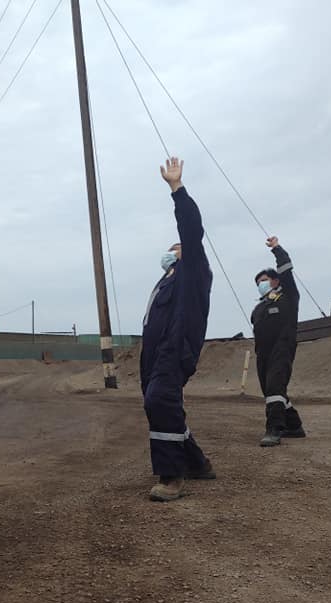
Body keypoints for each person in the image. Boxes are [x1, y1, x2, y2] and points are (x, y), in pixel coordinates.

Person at [140, 157, 216, 502]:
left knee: (161, 399)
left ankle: (171, 477)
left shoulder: (193, 272)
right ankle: (197, 463)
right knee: (158, 404)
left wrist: (176, 189)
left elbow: (190, 229)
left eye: (177, 250)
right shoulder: (166, 280)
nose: (171, 254)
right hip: (154, 353)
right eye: (169, 252)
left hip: (176, 347)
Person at [252, 237, 305, 446]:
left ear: (275, 280)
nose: (260, 284)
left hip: (282, 348)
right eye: (257, 282)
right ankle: (294, 425)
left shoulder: (288, 297)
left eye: (264, 280)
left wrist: (276, 249)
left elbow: (286, 270)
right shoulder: (260, 307)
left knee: (275, 386)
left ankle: (274, 429)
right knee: (271, 390)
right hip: (262, 353)